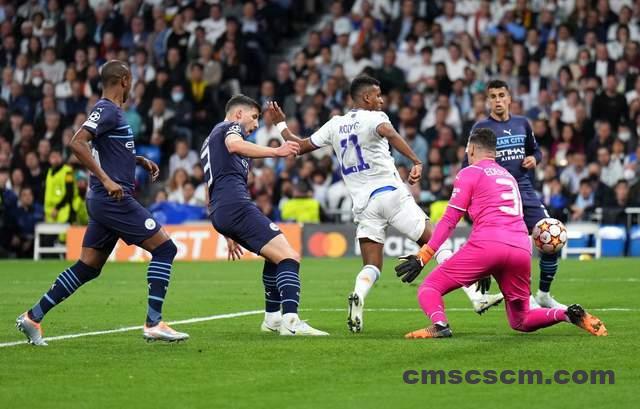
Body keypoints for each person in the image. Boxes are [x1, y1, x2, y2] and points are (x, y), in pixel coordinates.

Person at [267, 75, 503, 334]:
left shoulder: (335, 124)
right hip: (391, 194)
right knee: (436, 244)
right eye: (378, 95)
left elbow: (300, 146)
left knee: (372, 265)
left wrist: (280, 125)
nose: (381, 100)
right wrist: (416, 160)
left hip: (364, 205)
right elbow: (388, 132)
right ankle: (477, 297)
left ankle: (358, 294)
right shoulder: (375, 117)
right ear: (366, 97)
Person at [16, 60, 188, 346]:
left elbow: (105, 149)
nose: (131, 86)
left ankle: (32, 317)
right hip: (113, 199)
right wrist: (108, 180)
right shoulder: (107, 109)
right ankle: (154, 323)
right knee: (165, 248)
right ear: (124, 80)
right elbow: (77, 142)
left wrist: (136, 160)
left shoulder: (112, 112)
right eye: (131, 80)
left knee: (88, 266)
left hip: (102, 201)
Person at [397, 128, 607, 339]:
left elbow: (450, 220)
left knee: (430, 287)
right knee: (521, 320)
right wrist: (485, 268)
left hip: (487, 245)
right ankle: (567, 314)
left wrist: (424, 256)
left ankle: (440, 325)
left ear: (471, 149)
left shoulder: (469, 172)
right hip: (521, 248)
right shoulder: (508, 176)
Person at [200, 94, 328, 336]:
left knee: (274, 256)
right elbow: (234, 144)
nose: (256, 124)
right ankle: (291, 321)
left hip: (222, 210)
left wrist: (226, 231)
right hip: (236, 206)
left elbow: (211, 187)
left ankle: (272, 319)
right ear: (238, 114)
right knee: (289, 256)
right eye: (254, 117)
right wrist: (276, 151)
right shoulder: (229, 128)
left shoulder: (210, 141)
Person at [468, 79, 567, 309]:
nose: (498, 100)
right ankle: (525, 297)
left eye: (502, 95)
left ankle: (544, 294)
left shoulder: (522, 123)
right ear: (488, 101)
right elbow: (469, 163)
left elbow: (536, 151)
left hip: (524, 190)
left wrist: (534, 159)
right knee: (513, 247)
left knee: (551, 234)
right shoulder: (480, 129)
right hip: (497, 195)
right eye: (493, 96)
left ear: (510, 98)